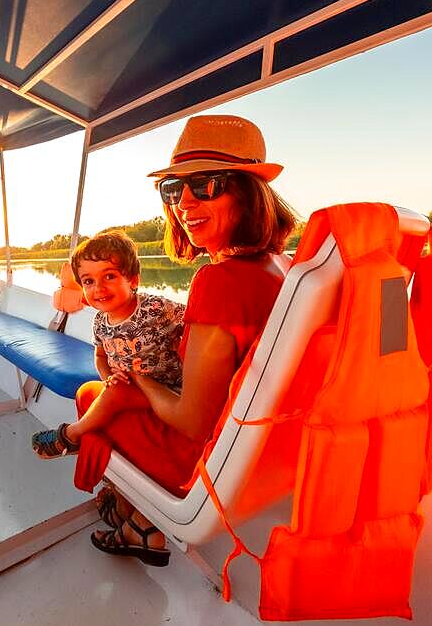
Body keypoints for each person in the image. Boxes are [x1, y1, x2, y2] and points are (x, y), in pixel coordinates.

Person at [70, 114, 296, 567]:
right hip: (265, 456)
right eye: (173, 190)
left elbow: (192, 421)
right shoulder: (282, 265)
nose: (184, 202)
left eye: (206, 185)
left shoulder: (220, 281)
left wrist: (137, 380)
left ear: (247, 192)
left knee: (92, 393)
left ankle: (142, 523)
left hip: (203, 463)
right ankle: (136, 517)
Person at [31, 231, 185, 459]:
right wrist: (107, 377)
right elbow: (100, 356)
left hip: (167, 391)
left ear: (133, 279)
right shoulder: (100, 322)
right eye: (88, 281)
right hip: (130, 388)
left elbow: (195, 321)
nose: (98, 288)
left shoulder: (155, 307)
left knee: (115, 394)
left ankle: (70, 436)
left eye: (109, 276)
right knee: (112, 390)